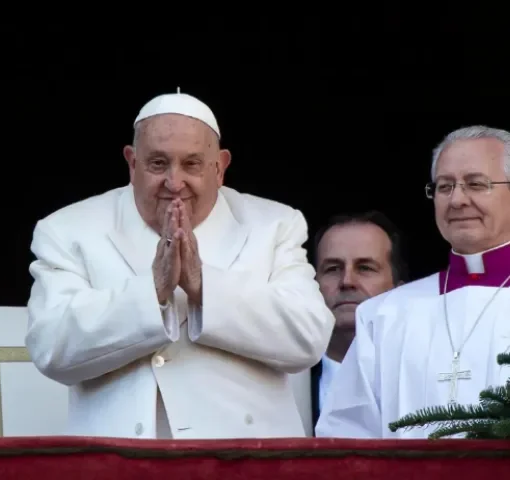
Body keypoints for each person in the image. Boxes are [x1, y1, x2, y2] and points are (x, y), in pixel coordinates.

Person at [25, 89, 335, 439]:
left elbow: (309, 337)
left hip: (248, 457)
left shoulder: (274, 225)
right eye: (158, 163)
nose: (174, 183)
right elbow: (51, 348)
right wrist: (152, 291)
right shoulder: (69, 229)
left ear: (220, 167)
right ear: (132, 163)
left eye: (192, 164)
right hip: (123, 458)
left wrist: (204, 286)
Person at [316, 125, 510, 438]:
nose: (457, 200)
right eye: (444, 187)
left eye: (476, 184)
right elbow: (346, 439)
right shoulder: (383, 315)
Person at [309, 211, 407, 428]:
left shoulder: (421, 377)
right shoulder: (281, 381)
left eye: (365, 268)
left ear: (400, 292)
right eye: (332, 269)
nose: (347, 281)